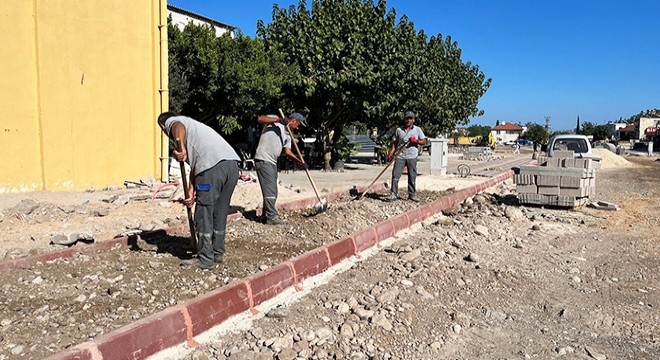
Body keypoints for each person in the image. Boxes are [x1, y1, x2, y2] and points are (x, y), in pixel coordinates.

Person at [157, 112, 241, 270]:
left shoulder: (174, 123)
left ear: (163, 126)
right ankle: (217, 252)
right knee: (220, 210)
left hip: (211, 170)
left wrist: (180, 148)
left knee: (203, 212)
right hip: (231, 166)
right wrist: (191, 191)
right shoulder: (196, 129)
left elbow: (177, 127)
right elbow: (197, 168)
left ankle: (205, 258)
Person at [254, 112, 306, 225]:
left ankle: (265, 215)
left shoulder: (288, 135)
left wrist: (300, 161)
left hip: (272, 162)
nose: (297, 128)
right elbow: (261, 118)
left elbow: (287, 152)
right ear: (293, 121)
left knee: (271, 190)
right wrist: (278, 121)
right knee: (271, 190)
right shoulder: (275, 121)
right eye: (298, 125)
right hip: (263, 159)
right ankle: (271, 216)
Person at [388, 111, 426, 202]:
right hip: (400, 155)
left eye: (410, 118)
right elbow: (394, 142)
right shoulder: (399, 130)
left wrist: (416, 141)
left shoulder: (417, 130)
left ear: (413, 120)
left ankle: (412, 195)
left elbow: (424, 141)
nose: (408, 120)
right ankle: (393, 194)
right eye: (407, 118)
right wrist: (391, 152)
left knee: (412, 176)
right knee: (395, 175)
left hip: (412, 156)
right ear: (404, 119)